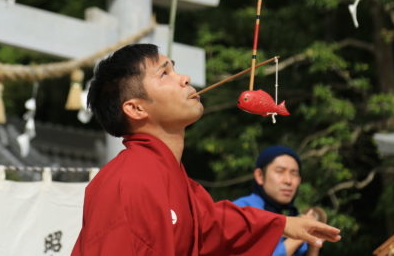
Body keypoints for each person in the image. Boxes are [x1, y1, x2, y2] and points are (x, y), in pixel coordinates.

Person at [71, 43, 341, 255]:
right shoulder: (126, 181)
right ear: (136, 108)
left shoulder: (172, 178)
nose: (184, 78)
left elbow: (213, 225)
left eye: (175, 69)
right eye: (164, 73)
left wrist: (285, 225)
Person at [233, 145, 324, 256]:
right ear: (260, 176)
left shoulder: (294, 215)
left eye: (294, 173)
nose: (288, 180)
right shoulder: (240, 211)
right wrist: (298, 237)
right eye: (280, 171)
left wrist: (314, 245)